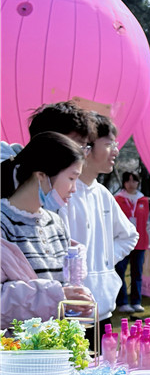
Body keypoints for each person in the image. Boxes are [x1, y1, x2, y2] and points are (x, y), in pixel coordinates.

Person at [48, 114, 137, 344]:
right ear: (86, 147)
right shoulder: (62, 193)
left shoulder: (103, 194)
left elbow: (129, 236)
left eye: (115, 144)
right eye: (108, 144)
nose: (115, 151)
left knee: (99, 362)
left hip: (103, 308)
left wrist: (104, 261)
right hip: (68, 310)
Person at [0, 133, 93, 325]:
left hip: (56, 340)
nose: (74, 189)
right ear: (41, 175)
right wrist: (58, 297)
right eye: (71, 178)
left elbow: (64, 284)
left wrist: (75, 299)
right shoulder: (3, 223)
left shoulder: (56, 223)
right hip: (14, 343)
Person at [114, 171, 149, 313]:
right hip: (121, 242)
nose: (131, 184)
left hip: (140, 242)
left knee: (137, 273)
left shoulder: (144, 200)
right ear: (123, 183)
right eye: (127, 180)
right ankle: (122, 302)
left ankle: (136, 301)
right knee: (119, 271)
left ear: (138, 182)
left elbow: (146, 221)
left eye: (134, 180)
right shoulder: (117, 199)